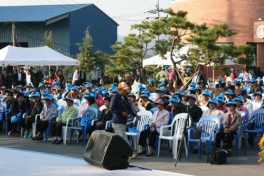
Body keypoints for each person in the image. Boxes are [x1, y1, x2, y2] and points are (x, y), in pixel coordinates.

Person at [110, 82, 140, 157]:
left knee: (118, 138)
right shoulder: (115, 97)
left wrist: (135, 114)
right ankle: (131, 152)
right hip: (117, 121)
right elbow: (112, 109)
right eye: (124, 90)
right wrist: (121, 113)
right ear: (119, 89)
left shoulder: (125, 97)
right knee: (123, 138)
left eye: (126, 90)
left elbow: (129, 108)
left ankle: (114, 152)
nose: (126, 91)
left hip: (123, 121)